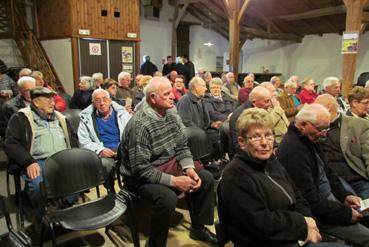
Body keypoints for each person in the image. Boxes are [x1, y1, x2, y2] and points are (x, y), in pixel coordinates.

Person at [219, 107, 348, 247]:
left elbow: (298, 195)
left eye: (268, 135)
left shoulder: (272, 163)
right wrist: (302, 224)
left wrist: (309, 220)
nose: (264, 142)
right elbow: (261, 223)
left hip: (291, 234)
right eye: (255, 137)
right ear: (242, 142)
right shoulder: (235, 175)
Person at [120, 76, 217, 247]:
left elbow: (181, 146)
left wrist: (189, 168)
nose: (173, 96)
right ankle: (155, 244)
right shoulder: (140, 125)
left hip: (168, 163)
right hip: (140, 174)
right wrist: (175, 181)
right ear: (152, 98)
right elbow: (140, 169)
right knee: (167, 198)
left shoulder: (171, 112)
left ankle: (198, 228)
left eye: (172, 91)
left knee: (206, 178)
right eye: (167, 93)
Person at [278, 103, 369, 247]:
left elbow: (328, 173)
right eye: (321, 129)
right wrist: (345, 213)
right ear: (303, 124)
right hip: (319, 213)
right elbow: (310, 201)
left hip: (328, 203)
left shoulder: (309, 139)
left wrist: (344, 196)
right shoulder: (294, 150)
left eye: (327, 128)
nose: (325, 133)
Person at [4, 87, 76, 219]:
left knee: (82, 174)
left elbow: (73, 138)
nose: (53, 103)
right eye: (48, 99)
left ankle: (64, 204)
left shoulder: (60, 118)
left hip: (63, 158)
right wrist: (28, 162)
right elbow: (11, 143)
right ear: (36, 102)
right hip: (37, 161)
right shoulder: (21, 117)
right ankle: (41, 215)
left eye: (53, 99)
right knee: (38, 185)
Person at [315, 94, 369, 199]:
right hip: (332, 181)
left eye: (317, 109)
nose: (314, 113)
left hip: (358, 178)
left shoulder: (359, 125)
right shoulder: (314, 128)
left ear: (328, 108)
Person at [78, 89, 131, 188]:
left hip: (124, 149)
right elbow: (83, 142)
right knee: (104, 165)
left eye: (105, 99)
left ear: (110, 101)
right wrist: (100, 150)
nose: (102, 103)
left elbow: (132, 133)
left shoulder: (122, 114)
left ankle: (129, 188)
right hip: (104, 153)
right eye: (98, 101)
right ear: (93, 103)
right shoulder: (86, 118)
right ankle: (111, 193)